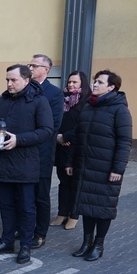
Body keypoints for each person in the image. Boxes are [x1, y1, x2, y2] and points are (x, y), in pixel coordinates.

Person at [0, 64, 53, 264]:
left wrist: (18, 140)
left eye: (13, 80)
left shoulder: (39, 101)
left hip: (26, 164)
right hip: (3, 162)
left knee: (26, 207)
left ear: (26, 80)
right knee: (5, 204)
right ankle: (6, 241)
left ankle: (25, 246)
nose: (9, 83)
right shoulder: (3, 101)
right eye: (7, 80)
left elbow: (47, 130)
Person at [66, 70, 132, 261]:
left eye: (100, 82)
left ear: (111, 87)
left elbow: (124, 141)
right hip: (85, 166)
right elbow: (78, 136)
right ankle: (86, 242)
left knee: (103, 208)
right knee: (87, 205)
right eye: (95, 81)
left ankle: (98, 245)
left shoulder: (120, 110)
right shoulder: (88, 106)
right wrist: (70, 161)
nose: (94, 84)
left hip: (106, 169)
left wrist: (118, 169)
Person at [28, 54, 64, 249]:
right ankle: (24, 227)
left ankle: (40, 233)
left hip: (42, 152)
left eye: (35, 66)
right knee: (24, 194)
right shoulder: (25, 89)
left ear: (46, 70)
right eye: (30, 65)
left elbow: (54, 125)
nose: (31, 68)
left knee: (40, 195)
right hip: (23, 153)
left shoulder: (54, 93)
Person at [51, 70, 89, 230]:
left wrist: (65, 136)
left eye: (75, 82)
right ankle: (62, 213)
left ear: (83, 84)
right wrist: (57, 137)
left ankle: (73, 215)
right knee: (63, 183)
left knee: (75, 184)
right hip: (61, 148)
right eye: (69, 82)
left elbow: (83, 127)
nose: (71, 85)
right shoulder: (63, 100)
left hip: (76, 150)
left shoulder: (87, 103)